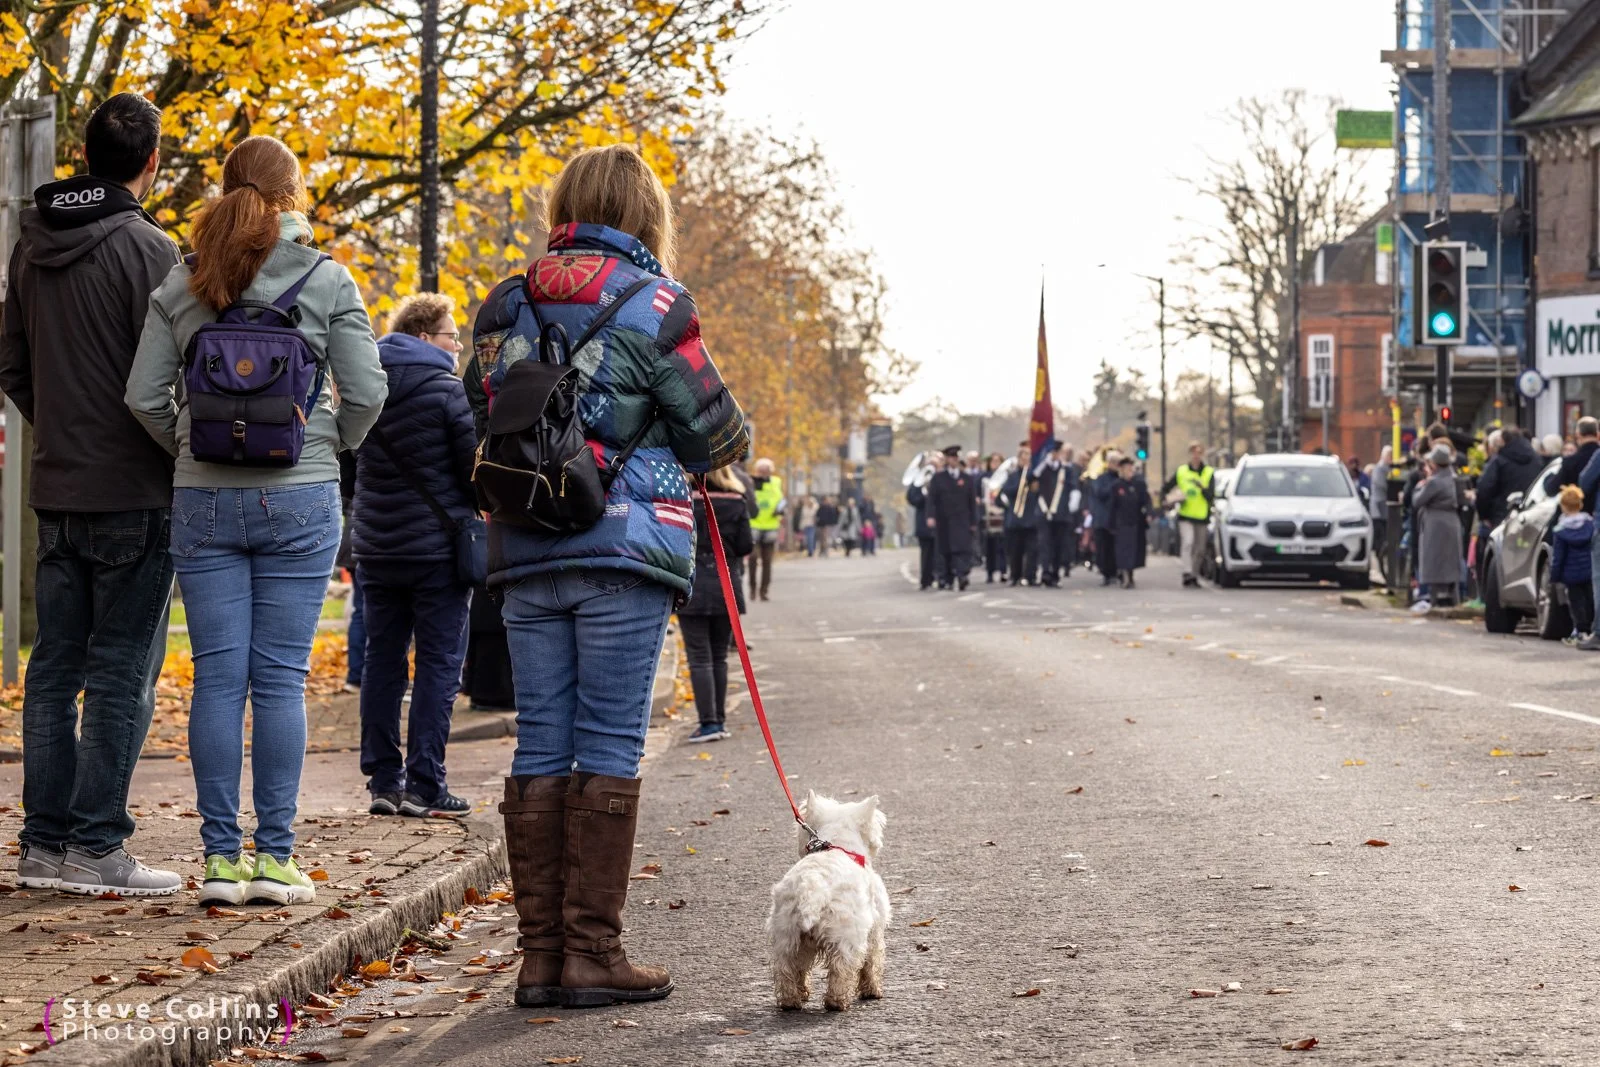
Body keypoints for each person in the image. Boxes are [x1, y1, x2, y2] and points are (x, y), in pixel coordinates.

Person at [470, 143, 746, 1008]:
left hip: (525, 546)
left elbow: (483, 409)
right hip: (625, 546)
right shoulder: (658, 303)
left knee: (541, 741)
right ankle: (595, 951)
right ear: (645, 215)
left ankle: (540, 957)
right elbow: (716, 434)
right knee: (611, 746)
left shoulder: (504, 300)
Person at [125, 134, 386, 904]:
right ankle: (275, 858)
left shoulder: (184, 281)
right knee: (279, 680)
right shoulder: (327, 278)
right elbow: (366, 391)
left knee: (216, 680)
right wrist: (327, 440)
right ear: (292, 195)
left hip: (203, 497)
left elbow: (144, 396)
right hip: (300, 493)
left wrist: (186, 442)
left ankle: (218, 862)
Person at [0, 94, 182, 895]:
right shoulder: (151, 249)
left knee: (52, 668)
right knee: (119, 672)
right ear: (151, 164)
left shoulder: (28, 246)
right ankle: (98, 843)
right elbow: (176, 375)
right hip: (136, 489)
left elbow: (10, 365)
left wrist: (61, 428)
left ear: (85, 151)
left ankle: (42, 845)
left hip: (58, 487)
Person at [350, 293, 477, 818]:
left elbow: (346, 466)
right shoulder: (448, 392)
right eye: (452, 337)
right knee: (438, 665)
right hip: (436, 553)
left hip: (377, 550)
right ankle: (426, 783)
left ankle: (383, 780)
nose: (458, 346)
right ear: (426, 337)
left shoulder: (365, 386)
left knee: (381, 661)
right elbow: (474, 472)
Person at [680, 466, 752, 742]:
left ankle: (708, 722)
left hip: (694, 583)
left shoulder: (685, 500)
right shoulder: (737, 502)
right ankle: (719, 721)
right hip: (726, 584)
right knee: (719, 655)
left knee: (699, 657)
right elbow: (746, 545)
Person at [1410, 444, 1464, 613]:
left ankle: (1433, 599)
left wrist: (1419, 486)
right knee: (1450, 561)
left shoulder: (1434, 481)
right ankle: (1454, 598)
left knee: (1434, 560)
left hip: (1435, 525)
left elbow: (1417, 501)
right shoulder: (1454, 478)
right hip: (1452, 523)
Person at [1160, 442, 1215, 588]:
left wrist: (1202, 487)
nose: (1196, 456)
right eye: (1194, 453)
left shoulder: (1208, 472)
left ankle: (1194, 574)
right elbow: (1166, 487)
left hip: (1202, 515)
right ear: (1190, 454)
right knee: (1188, 542)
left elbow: (1211, 495)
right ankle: (1187, 571)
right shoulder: (1182, 471)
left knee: (1200, 549)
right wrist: (1169, 499)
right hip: (1185, 514)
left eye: (1199, 453)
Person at [928, 444, 976, 590]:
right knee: (944, 550)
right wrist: (930, 516)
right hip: (944, 519)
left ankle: (962, 575)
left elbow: (971, 502)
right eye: (951, 458)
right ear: (947, 460)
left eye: (956, 458)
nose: (954, 460)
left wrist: (973, 520)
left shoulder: (966, 478)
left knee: (961, 549)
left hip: (961, 519)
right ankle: (945, 578)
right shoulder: (938, 478)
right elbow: (932, 499)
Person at [1552, 485, 1596, 644]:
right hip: (1589, 571)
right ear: (1580, 504)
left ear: (1563, 506)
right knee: (1590, 599)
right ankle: (1592, 628)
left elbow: (1558, 556)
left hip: (1570, 574)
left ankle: (1580, 630)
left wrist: (1555, 575)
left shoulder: (1561, 530)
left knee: (1576, 603)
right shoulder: (1590, 525)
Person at [996, 443, 1041, 587]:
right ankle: (1015, 576)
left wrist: (1030, 479)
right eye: (1025, 455)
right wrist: (1023, 481)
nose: (1027, 458)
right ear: (1020, 458)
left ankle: (1031, 576)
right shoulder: (1013, 475)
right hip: (1015, 519)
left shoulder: (1034, 475)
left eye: (1029, 455)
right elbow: (1006, 492)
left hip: (1030, 518)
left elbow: (1039, 492)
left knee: (1032, 550)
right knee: (1015, 550)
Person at [1036, 443, 1079, 587]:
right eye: (1052, 452)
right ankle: (1045, 573)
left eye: (1057, 452)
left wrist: (1072, 504)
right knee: (1044, 544)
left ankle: (1055, 573)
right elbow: (1031, 479)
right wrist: (1042, 464)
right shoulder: (1042, 469)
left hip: (1061, 514)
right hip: (1044, 512)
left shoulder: (1066, 470)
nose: (1054, 455)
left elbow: (1074, 487)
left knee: (1059, 545)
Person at [1108, 456, 1150, 588]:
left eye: (1130, 469)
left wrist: (1149, 513)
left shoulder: (1137, 484)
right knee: (1123, 550)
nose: (1129, 472)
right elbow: (1112, 506)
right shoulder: (1116, 486)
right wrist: (1111, 524)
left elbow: (1145, 500)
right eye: (1126, 469)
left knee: (1133, 551)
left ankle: (1130, 574)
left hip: (1135, 521)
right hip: (1122, 522)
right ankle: (1125, 575)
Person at [747, 458, 782, 601]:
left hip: (770, 526)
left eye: (765, 471)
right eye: (760, 471)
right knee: (753, 558)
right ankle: (752, 588)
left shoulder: (776, 482)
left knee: (767, 561)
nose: (762, 474)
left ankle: (764, 591)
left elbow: (781, 500)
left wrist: (780, 509)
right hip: (754, 525)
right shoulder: (750, 482)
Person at [905, 453, 938, 589]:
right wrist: (923, 494)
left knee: (938, 552)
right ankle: (925, 579)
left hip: (939, 521)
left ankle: (938, 576)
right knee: (925, 552)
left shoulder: (940, 478)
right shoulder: (918, 480)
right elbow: (911, 498)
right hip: (923, 521)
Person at [1090, 451, 1122, 585]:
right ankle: (1106, 572)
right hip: (1103, 519)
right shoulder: (1101, 478)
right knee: (1103, 548)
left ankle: (1116, 571)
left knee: (1116, 547)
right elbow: (1100, 493)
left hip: (1117, 519)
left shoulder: (1122, 479)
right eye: (1113, 462)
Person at [1545, 417, 1598, 497]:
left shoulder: (1571, 462)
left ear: (1578, 435)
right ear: (1597, 435)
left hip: (1576, 507)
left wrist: (1549, 477)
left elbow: (1551, 489)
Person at [982, 453, 1007, 582]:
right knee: (989, 546)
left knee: (1002, 546)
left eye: (998, 461)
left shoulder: (1006, 478)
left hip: (1002, 513)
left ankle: (1003, 571)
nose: (995, 464)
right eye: (993, 461)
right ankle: (990, 572)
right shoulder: (984, 478)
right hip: (988, 515)